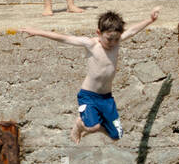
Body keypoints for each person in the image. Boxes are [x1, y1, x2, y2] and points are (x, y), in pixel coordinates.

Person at [19, 9, 160, 142]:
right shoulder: (91, 44)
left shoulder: (117, 42)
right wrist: (37, 32)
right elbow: (64, 38)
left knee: (117, 136)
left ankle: (91, 128)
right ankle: (80, 125)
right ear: (99, 32)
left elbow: (133, 31)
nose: (113, 43)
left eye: (116, 39)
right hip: (88, 95)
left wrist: (150, 20)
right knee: (94, 126)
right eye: (109, 39)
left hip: (107, 98)